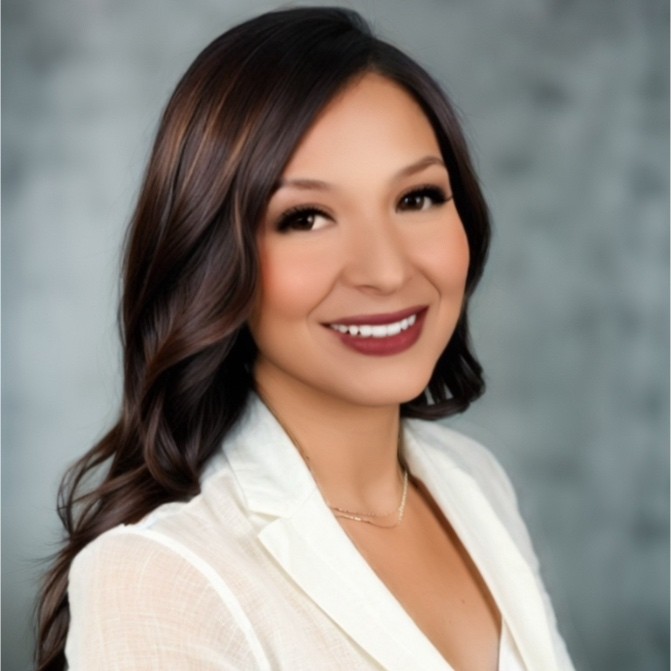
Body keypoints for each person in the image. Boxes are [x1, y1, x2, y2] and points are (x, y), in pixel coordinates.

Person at [36, 7, 574, 670]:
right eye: (306, 217)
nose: (386, 271)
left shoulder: (473, 481)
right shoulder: (161, 577)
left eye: (416, 198)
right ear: (212, 257)